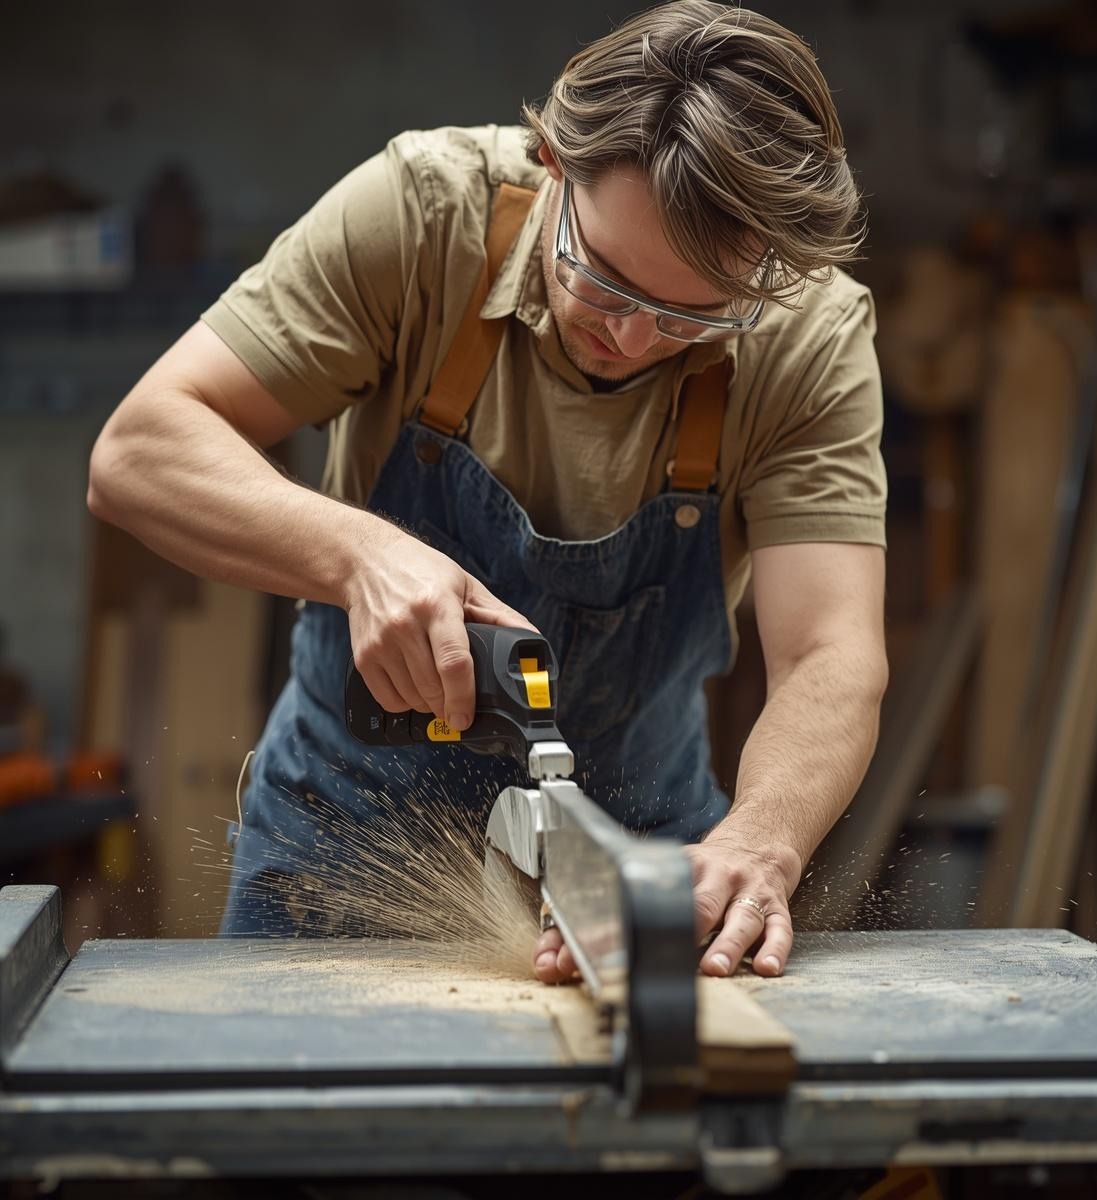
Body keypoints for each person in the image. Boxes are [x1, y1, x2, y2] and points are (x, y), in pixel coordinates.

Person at [87, 0, 888, 982]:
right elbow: (137, 451)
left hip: (642, 859)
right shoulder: (426, 216)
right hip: (347, 835)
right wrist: (362, 555)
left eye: (690, 314)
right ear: (554, 163)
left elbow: (829, 654)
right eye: (604, 281)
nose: (631, 338)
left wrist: (761, 841)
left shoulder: (808, 334)